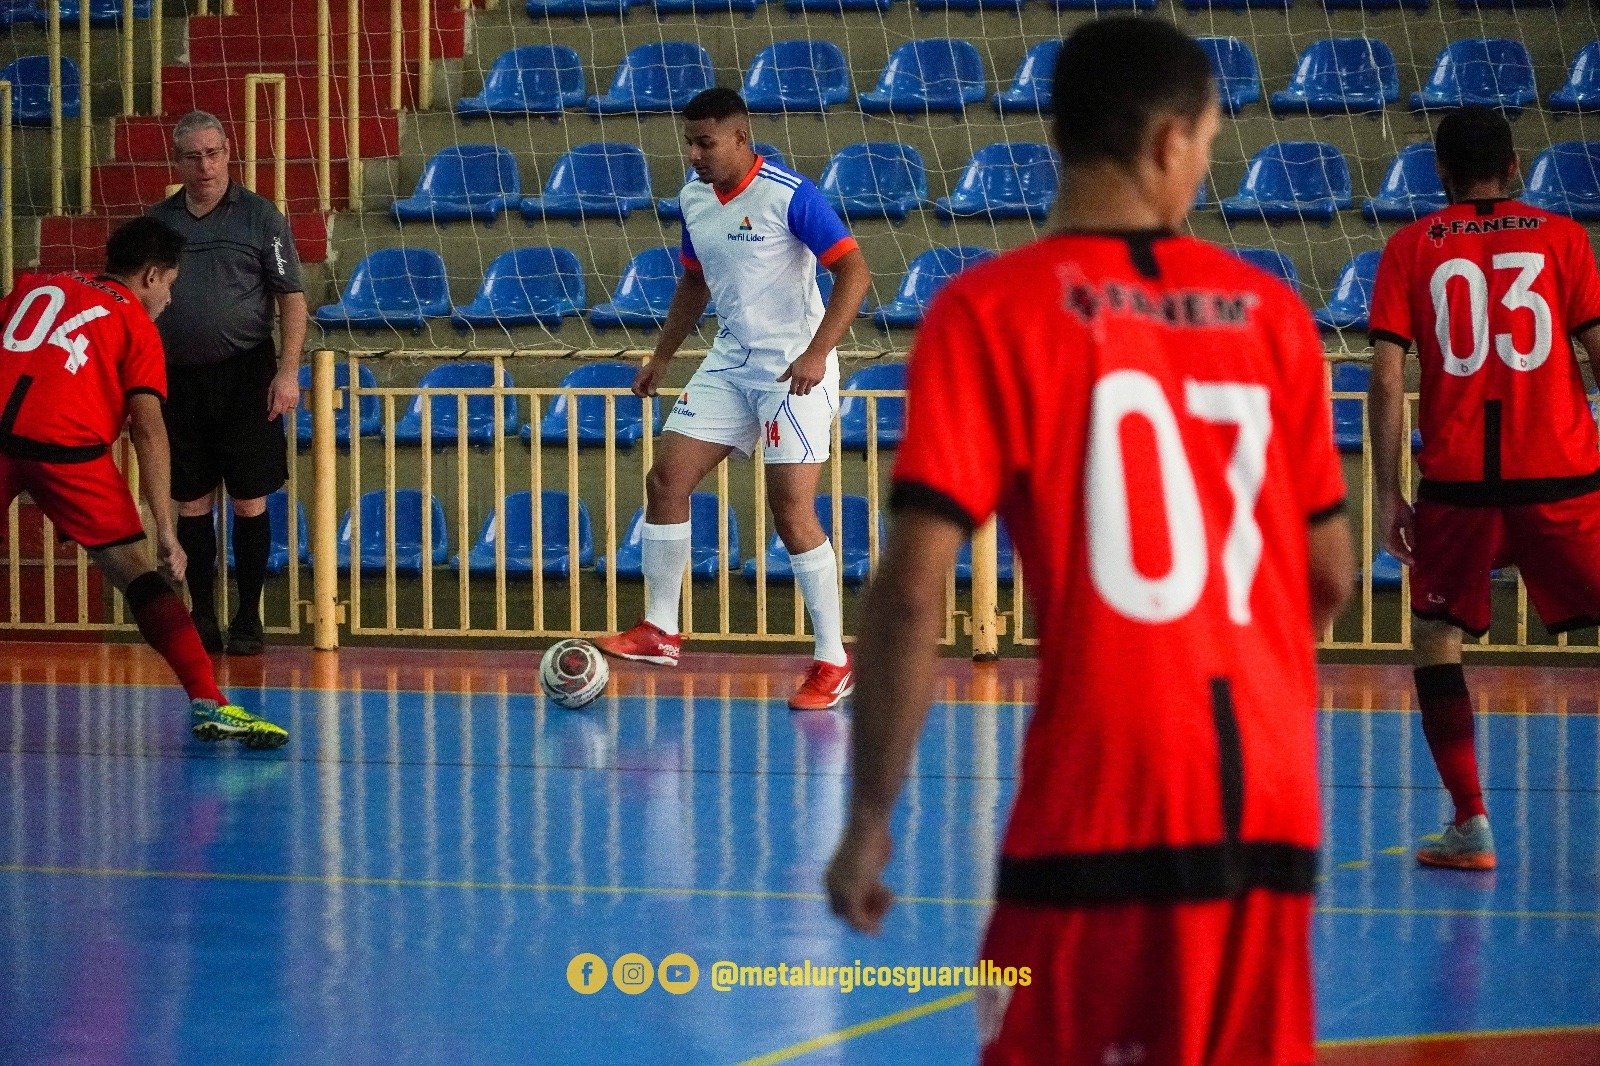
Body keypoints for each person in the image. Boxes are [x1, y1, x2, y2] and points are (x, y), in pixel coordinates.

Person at [825, 18, 1354, 1065]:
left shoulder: (986, 313)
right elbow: (1328, 572)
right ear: (1168, 142)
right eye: (1206, 140)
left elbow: (912, 592)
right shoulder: (1273, 315)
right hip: (1270, 791)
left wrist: (870, 813)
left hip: (1101, 789)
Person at [1367, 106, 1600, 872]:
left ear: (1439, 173)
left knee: (1437, 636)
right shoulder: (1564, 239)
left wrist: (1387, 492)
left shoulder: (1409, 247)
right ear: (1515, 165)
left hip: (1460, 479)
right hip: (1562, 470)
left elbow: (1388, 374)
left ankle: (1471, 824)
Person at [595, 87, 873, 711]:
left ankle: (833, 658)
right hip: (731, 359)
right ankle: (661, 629)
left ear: (741, 137)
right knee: (667, 478)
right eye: (689, 142)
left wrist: (819, 352)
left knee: (790, 510)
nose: (693, 154)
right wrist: (662, 355)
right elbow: (695, 281)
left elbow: (856, 271)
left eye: (705, 143)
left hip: (794, 368)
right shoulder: (694, 199)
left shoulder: (789, 193)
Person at [0, 218, 289, 749]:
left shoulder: (34, 284)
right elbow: (150, 434)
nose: (171, 299)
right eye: (172, 285)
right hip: (68, 448)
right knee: (135, 573)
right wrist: (166, 527)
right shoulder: (133, 320)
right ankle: (211, 701)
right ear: (152, 276)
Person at [146, 109, 309, 657]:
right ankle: (203, 615)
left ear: (228, 153)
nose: (206, 164)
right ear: (178, 161)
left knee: (248, 499)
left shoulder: (262, 218)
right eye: (193, 155)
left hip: (246, 375)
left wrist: (288, 371)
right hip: (178, 379)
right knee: (190, 501)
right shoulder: (159, 224)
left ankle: (247, 615)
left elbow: (291, 297)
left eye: (214, 152)